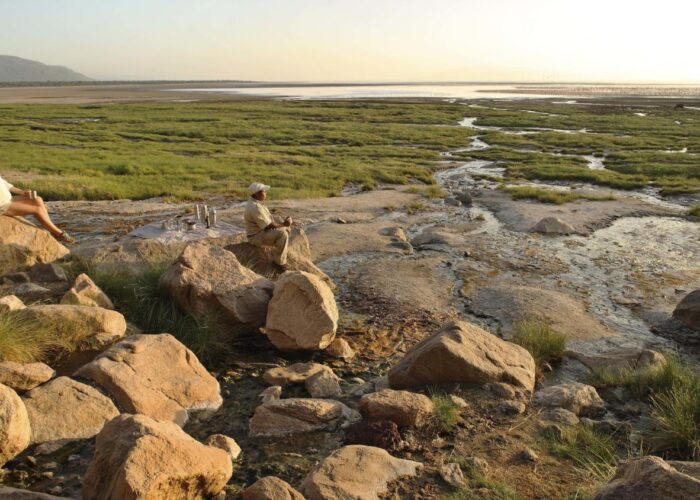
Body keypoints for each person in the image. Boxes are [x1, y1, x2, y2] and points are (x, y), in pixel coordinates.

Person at [0, 174, 75, 243]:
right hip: (3, 205)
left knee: (37, 199)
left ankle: (50, 227)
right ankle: (59, 234)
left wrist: (21, 192)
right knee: (37, 210)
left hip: (8, 198)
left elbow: (5, 184)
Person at [244, 182, 291, 269]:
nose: (266, 193)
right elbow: (269, 226)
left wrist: (283, 225)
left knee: (285, 229)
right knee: (282, 234)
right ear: (257, 193)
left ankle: (280, 251)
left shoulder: (256, 203)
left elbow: (270, 220)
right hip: (255, 236)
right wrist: (284, 224)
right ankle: (279, 263)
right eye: (263, 191)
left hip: (261, 232)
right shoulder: (255, 207)